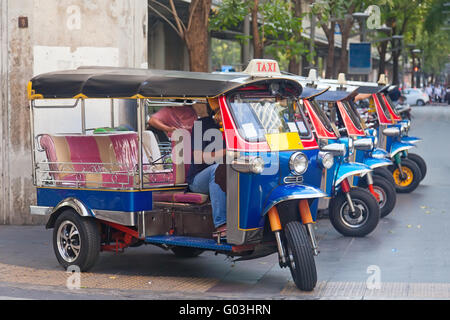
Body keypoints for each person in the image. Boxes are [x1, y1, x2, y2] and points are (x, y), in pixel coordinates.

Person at [186, 103, 227, 237]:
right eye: (219, 111)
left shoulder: (235, 127)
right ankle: (221, 224)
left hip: (228, 175)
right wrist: (227, 152)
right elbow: (198, 158)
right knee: (218, 170)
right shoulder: (201, 125)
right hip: (198, 180)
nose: (220, 115)